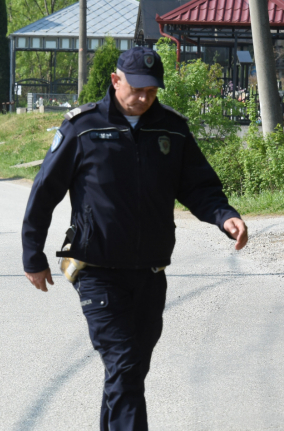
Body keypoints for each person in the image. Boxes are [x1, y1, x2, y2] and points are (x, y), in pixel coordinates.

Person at [21, 47, 248, 431]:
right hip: (96, 269)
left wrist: (225, 216)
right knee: (124, 365)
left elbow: (199, 187)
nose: (143, 97)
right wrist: (33, 254)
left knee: (129, 372)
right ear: (115, 81)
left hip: (149, 272)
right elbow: (45, 191)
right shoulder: (83, 127)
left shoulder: (172, 128)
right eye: (136, 88)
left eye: (151, 90)